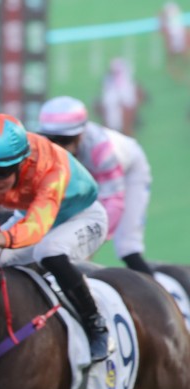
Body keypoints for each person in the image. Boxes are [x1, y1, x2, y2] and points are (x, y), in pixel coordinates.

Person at [0, 114, 111, 363]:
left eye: (1, 172)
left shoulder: (51, 167)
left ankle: (95, 324)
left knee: (48, 251)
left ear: (22, 162)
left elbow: (37, 228)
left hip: (81, 216)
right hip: (30, 215)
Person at [38, 95, 155, 276]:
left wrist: (90, 245)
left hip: (128, 171)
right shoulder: (41, 149)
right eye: (53, 140)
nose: (59, 148)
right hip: (89, 175)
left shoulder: (102, 151)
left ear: (80, 135)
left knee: (127, 247)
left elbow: (113, 204)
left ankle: (163, 298)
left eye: (65, 141)